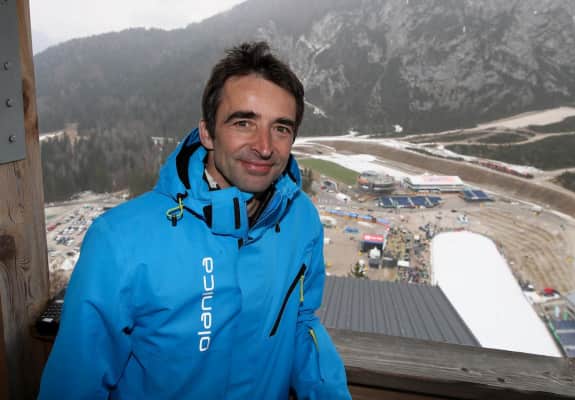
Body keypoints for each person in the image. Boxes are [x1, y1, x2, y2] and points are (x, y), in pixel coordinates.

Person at [38, 42, 351, 399]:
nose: (265, 146)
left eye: (281, 128)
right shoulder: (120, 240)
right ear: (207, 133)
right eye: (244, 122)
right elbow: (74, 384)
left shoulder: (301, 219)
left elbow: (300, 323)